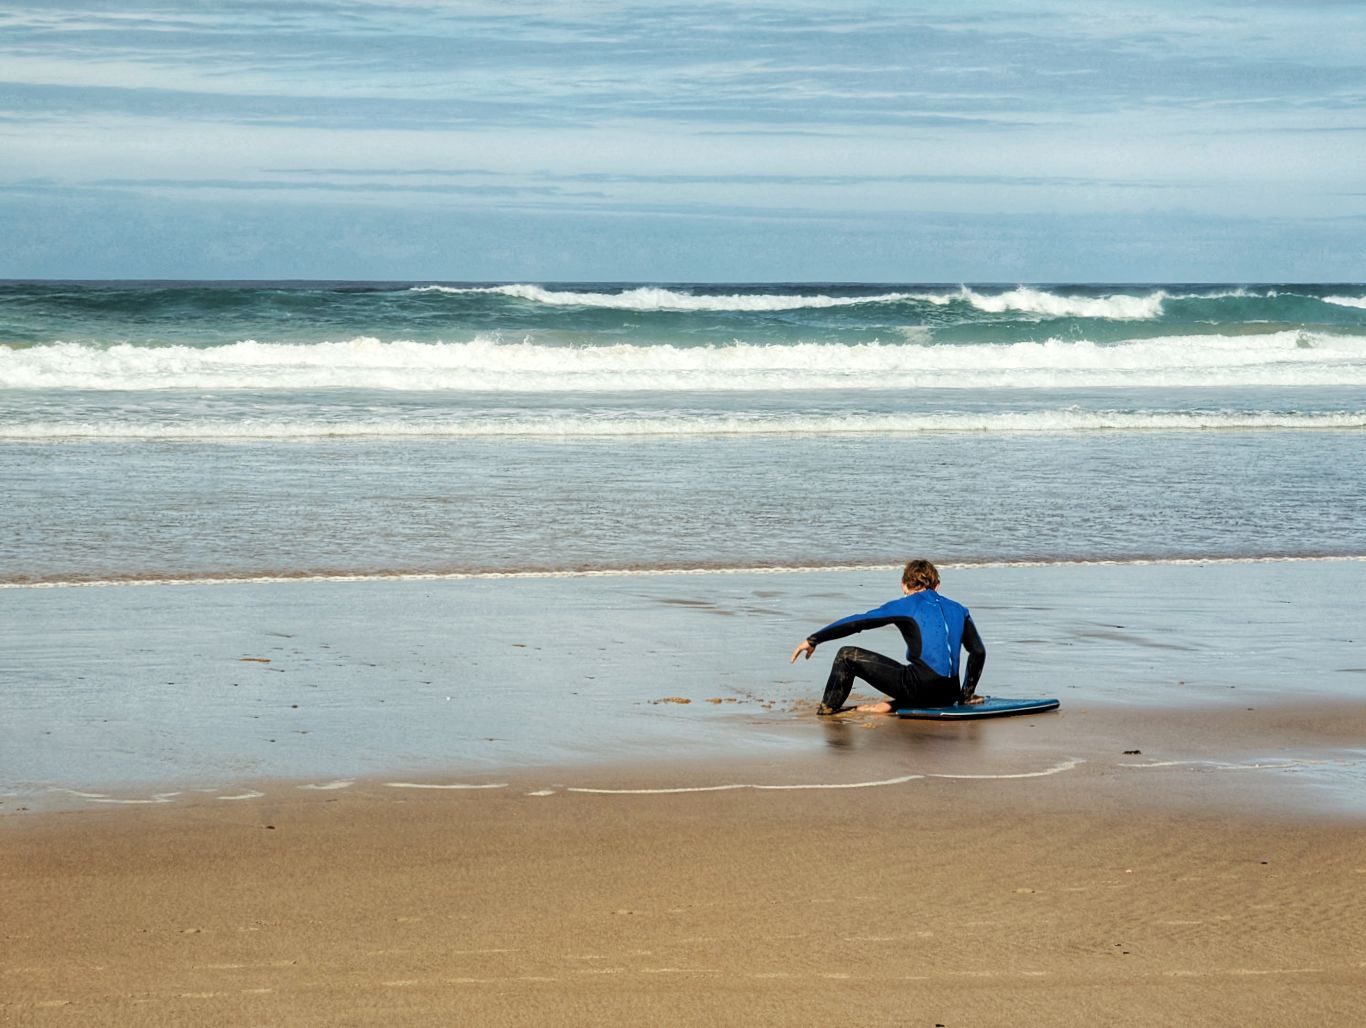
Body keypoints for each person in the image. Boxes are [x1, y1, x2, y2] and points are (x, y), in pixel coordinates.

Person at [789, 559, 986, 715]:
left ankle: (828, 711)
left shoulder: (907, 604)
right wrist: (966, 695)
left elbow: (860, 621)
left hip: (921, 689)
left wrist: (814, 639)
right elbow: (978, 652)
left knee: (846, 655)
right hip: (949, 695)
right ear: (938, 585)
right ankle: (892, 705)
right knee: (918, 677)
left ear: (903, 585)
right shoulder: (959, 609)